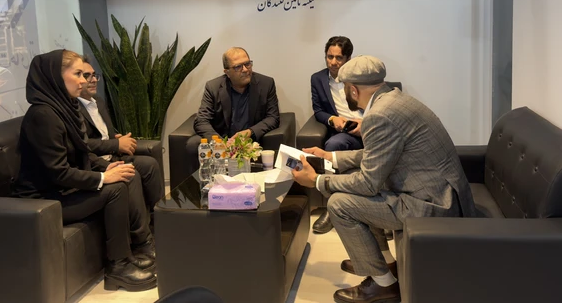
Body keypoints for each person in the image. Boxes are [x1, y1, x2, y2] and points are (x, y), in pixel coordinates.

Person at [292, 56, 476, 303]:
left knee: (339, 204)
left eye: (344, 88)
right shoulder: (396, 100)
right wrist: (330, 157)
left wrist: (316, 181)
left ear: (353, 90)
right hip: (441, 192)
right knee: (351, 186)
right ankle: (386, 264)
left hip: (433, 204)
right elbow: (377, 154)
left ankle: (384, 285)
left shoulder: (379, 116)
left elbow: (368, 184)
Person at [12, 49, 156, 292]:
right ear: (56, 76)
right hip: (45, 199)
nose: (83, 80)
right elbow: (58, 172)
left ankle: (137, 248)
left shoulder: (63, 108)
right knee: (115, 189)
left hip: (64, 189)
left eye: (84, 74)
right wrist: (103, 177)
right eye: (77, 74)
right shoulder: (43, 115)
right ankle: (118, 267)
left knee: (125, 174)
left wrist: (107, 167)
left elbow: (83, 152)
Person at [78, 58, 164, 243]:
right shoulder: (74, 108)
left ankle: (160, 221)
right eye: (86, 75)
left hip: (112, 156)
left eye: (94, 75)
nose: (93, 80)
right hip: (95, 162)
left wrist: (116, 138)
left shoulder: (98, 101)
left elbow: (104, 133)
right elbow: (82, 144)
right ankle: (142, 240)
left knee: (150, 164)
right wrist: (115, 144)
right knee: (131, 174)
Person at [309, 36, 363, 234]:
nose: (333, 62)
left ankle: (380, 211)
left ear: (348, 59)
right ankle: (332, 208)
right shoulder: (318, 79)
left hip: (368, 129)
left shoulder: (361, 76)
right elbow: (318, 111)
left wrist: (365, 124)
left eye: (338, 58)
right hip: (344, 132)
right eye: (329, 57)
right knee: (332, 145)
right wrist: (333, 119)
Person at [187, 47, 279, 161]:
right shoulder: (213, 87)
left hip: (252, 141)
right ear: (227, 72)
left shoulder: (266, 84)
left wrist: (249, 132)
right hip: (223, 141)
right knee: (193, 145)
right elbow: (201, 121)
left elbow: (273, 117)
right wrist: (219, 143)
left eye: (247, 64)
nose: (245, 69)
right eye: (238, 67)